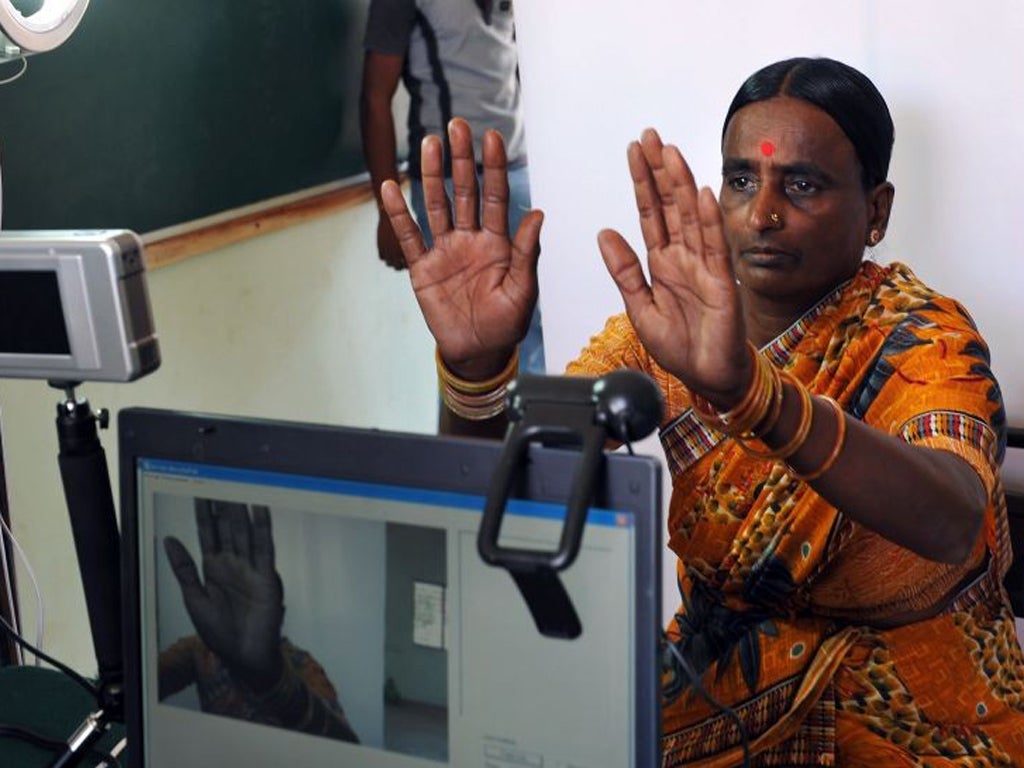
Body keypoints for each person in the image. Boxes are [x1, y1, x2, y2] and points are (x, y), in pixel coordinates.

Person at [377, 57, 1024, 765]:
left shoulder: (920, 336)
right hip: (710, 713)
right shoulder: (667, 331)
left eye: (801, 184)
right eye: (742, 179)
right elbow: (512, 506)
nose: (762, 213)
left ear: (876, 211)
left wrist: (756, 396)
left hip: (919, 728)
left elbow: (954, 518)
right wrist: (476, 374)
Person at [359, 0, 545, 375]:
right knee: (470, 345)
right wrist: (387, 214)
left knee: (536, 328)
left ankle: (539, 432)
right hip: (450, 186)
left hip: (519, 170)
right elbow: (375, 97)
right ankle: (475, 427)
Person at [158, 499, 359, 743]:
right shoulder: (199, 650)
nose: (243, 618)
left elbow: (344, 746)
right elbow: (145, 683)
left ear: (278, 615)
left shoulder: (302, 664)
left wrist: (271, 679)